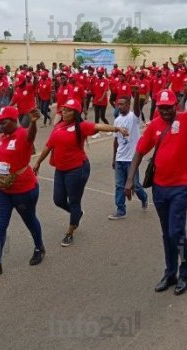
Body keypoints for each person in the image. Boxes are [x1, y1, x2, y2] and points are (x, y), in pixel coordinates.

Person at [124, 86, 187, 296]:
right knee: (167, 233)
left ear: (175, 105)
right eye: (161, 108)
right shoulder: (154, 125)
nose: (165, 111)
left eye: (168, 107)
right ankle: (170, 273)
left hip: (180, 187)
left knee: (176, 231)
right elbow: (139, 152)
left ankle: (186, 272)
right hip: (159, 187)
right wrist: (130, 179)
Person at [33, 99, 128, 247]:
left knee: (75, 200)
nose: (63, 112)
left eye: (68, 110)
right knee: (58, 200)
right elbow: (48, 146)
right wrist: (38, 162)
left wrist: (117, 129)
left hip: (77, 169)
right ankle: (76, 213)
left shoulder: (81, 126)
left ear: (75, 113)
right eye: (63, 109)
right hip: (61, 169)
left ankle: (70, 232)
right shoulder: (59, 126)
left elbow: (98, 126)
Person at [0, 106, 46, 280]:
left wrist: (34, 123)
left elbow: (31, 136)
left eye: (4, 121)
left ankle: (39, 248)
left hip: (24, 189)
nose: (0, 124)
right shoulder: (4, 136)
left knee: (30, 220)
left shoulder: (22, 134)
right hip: (3, 189)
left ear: (14, 120)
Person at [109, 87, 149, 220]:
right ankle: (121, 210)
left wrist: (136, 94)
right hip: (120, 158)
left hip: (132, 159)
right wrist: (114, 158)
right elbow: (116, 141)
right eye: (118, 104)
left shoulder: (134, 117)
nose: (119, 106)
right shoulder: (117, 120)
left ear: (128, 105)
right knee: (119, 185)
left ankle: (144, 198)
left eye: (122, 104)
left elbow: (137, 109)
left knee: (135, 185)